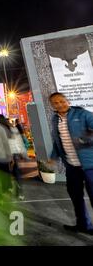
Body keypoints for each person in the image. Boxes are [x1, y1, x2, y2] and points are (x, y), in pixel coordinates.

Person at [49, 92, 93, 235]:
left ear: (67, 101)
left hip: (89, 165)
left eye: (62, 101)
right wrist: (53, 157)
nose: (60, 104)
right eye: (55, 103)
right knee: (75, 195)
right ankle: (83, 225)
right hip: (71, 166)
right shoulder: (55, 120)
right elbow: (57, 142)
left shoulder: (82, 114)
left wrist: (84, 139)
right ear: (52, 105)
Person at [0, 115, 25, 200]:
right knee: (17, 173)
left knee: (4, 172)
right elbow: (19, 141)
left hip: (5, 154)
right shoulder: (13, 128)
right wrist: (21, 152)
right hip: (14, 153)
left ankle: (6, 189)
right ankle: (19, 193)